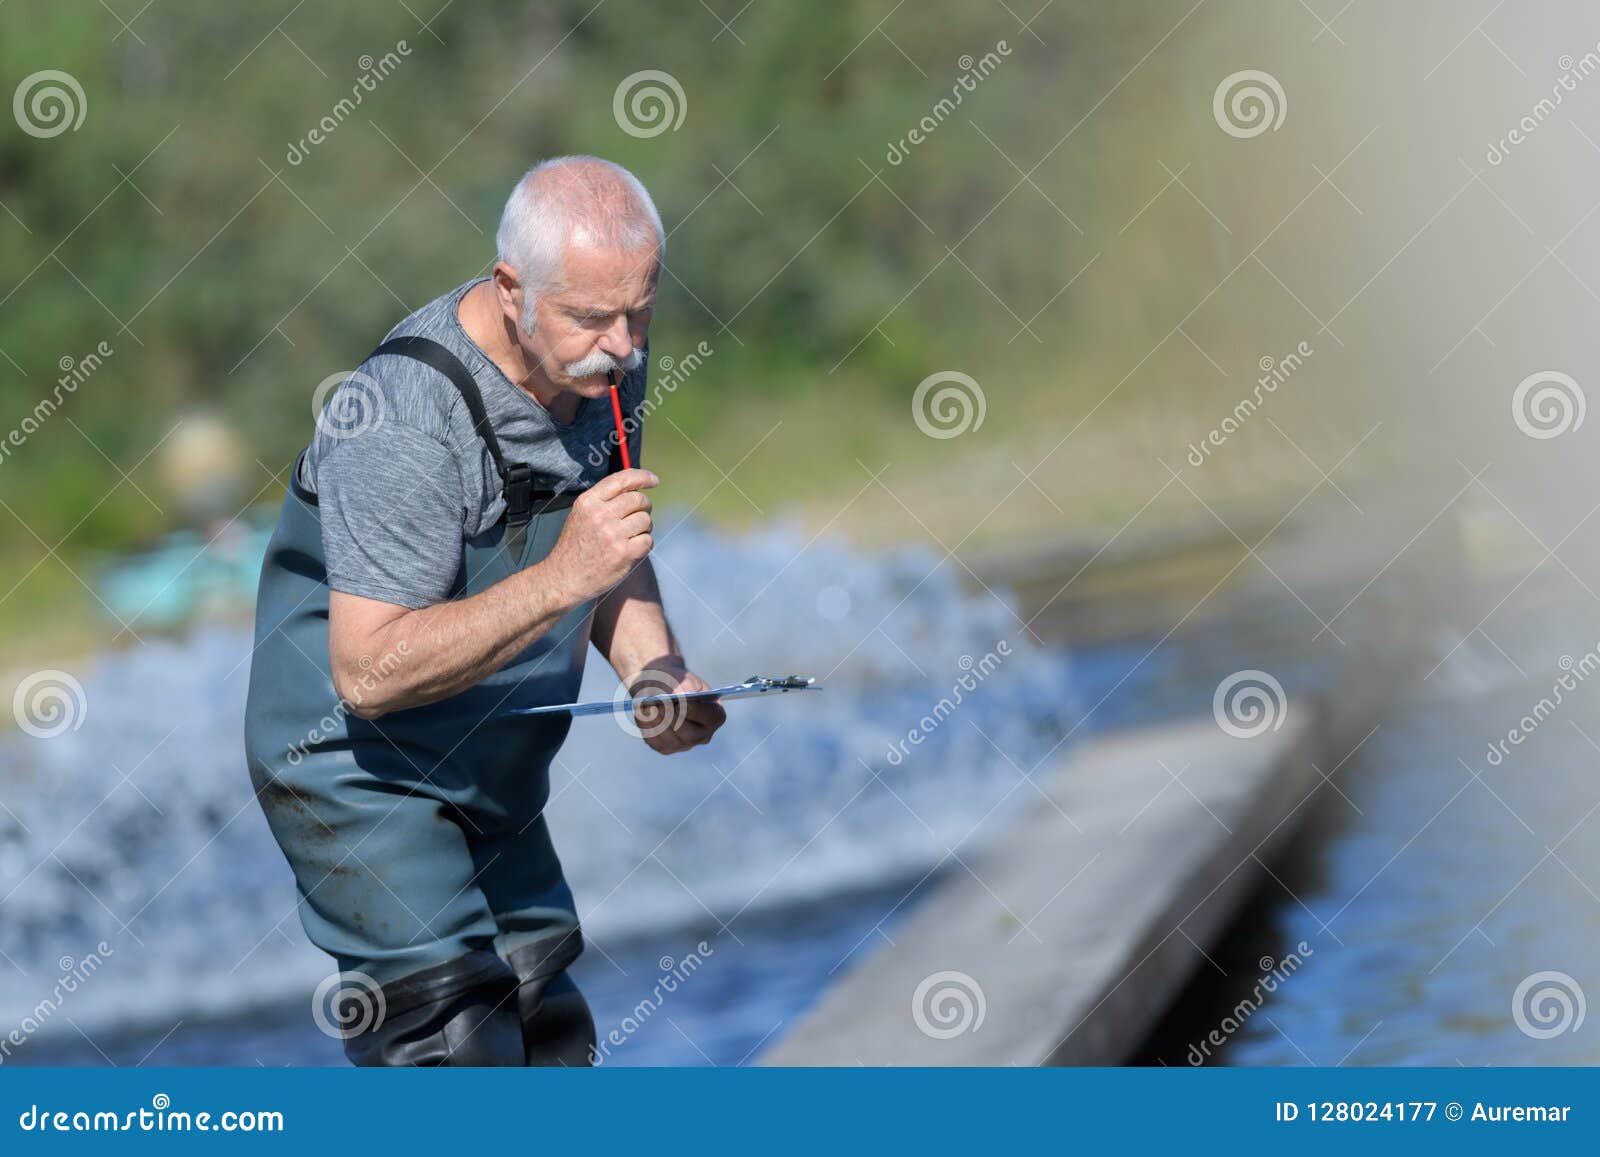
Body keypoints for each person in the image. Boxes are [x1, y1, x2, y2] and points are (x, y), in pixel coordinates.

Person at [243, 156, 727, 1066]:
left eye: (641, 310)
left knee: (552, 1036)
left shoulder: (605, 366)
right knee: (458, 1043)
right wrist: (560, 577)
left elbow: (609, 547)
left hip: (489, 759)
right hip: (360, 771)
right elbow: (369, 671)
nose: (624, 345)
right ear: (512, 289)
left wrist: (654, 672)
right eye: (592, 317)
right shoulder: (398, 418)